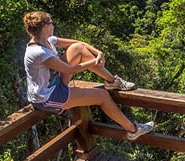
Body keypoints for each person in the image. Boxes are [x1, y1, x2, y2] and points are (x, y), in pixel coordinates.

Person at [22, 11, 153, 140]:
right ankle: (133, 130)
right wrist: (94, 61)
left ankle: (112, 81)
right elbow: (70, 69)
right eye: (51, 23)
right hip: (47, 97)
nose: (53, 25)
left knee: (77, 48)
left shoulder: (48, 41)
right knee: (103, 96)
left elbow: (80, 43)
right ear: (45, 27)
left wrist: (99, 53)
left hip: (54, 84)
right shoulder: (38, 52)